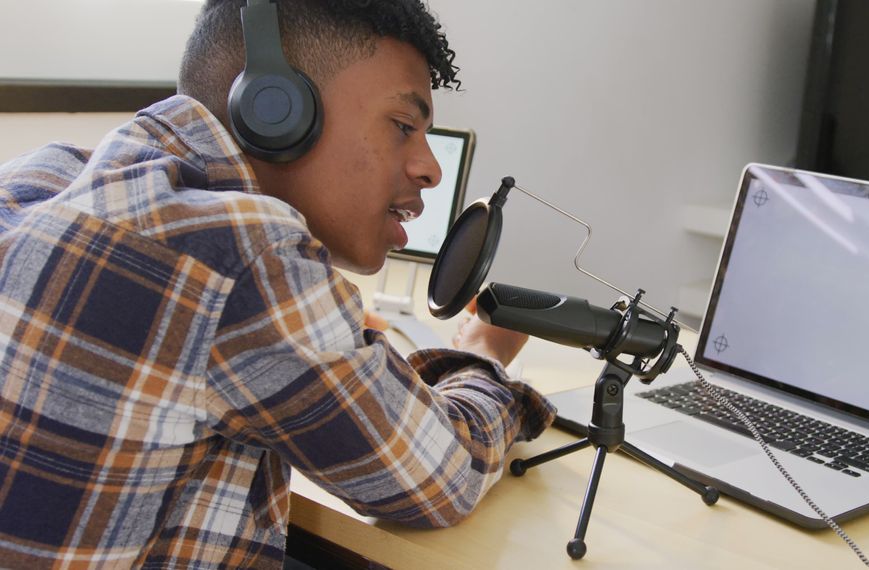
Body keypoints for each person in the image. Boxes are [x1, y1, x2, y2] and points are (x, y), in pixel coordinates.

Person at [0, 0, 555, 567]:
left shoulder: (37, 176)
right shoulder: (243, 253)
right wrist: (483, 359)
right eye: (403, 126)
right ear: (276, 110)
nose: (431, 168)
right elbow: (441, 477)